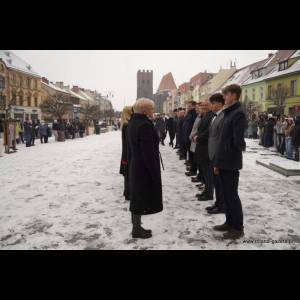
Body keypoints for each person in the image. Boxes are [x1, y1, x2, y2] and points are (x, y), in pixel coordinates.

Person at [213, 84, 247, 240]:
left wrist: (225, 156)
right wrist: (217, 161)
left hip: (230, 161)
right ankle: (229, 221)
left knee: (232, 195)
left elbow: (238, 141)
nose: (224, 97)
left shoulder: (238, 113)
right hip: (223, 160)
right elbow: (222, 139)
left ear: (234, 95)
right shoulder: (229, 112)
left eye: (226, 95)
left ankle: (238, 227)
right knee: (226, 194)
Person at [127, 98, 163, 239]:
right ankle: (136, 229)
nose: (153, 111)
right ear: (144, 110)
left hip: (136, 164)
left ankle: (137, 226)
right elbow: (148, 153)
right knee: (139, 197)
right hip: (144, 167)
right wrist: (154, 173)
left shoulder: (133, 122)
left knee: (137, 196)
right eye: (151, 108)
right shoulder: (144, 125)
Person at [206, 93, 225, 214]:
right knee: (216, 182)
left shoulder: (222, 116)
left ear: (218, 103)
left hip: (217, 154)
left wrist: (217, 157)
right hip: (212, 153)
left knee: (219, 183)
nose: (211, 106)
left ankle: (221, 205)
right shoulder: (215, 116)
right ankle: (218, 203)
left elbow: (220, 139)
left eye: (212, 103)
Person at [194, 100, 215, 201]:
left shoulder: (211, 116)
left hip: (206, 147)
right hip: (201, 147)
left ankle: (209, 193)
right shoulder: (205, 115)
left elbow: (209, 131)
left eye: (206, 105)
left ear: (210, 105)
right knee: (205, 172)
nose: (204, 107)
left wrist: (198, 137)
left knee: (208, 173)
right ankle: (206, 191)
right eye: (202, 105)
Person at [119, 106, 133, 201]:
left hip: (126, 153)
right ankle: (128, 193)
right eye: (131, 111)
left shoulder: (125, 124)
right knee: (128, 174)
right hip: (128, 154)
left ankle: (127, 192)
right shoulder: (127, 125)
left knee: (127, 174)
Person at [182, 101, 197, 171]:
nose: (188, 107)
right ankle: (191, 167)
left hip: (191, 138)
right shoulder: (188, 114)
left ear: (194, 106)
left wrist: (191, 136)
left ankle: (193, 169)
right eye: (187, 105)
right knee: (190, 154)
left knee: (192, 155)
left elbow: (193, 127)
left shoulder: (194, 114)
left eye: (189, 105)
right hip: (186, 137)